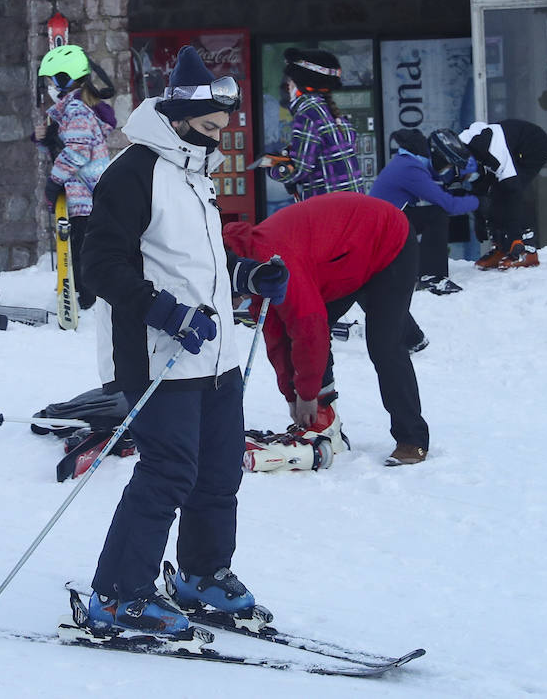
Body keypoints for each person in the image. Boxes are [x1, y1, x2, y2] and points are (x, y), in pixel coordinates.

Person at [81, 45, 288, 636]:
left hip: (214, 352)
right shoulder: (133, 174)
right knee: (169, 472)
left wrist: (247, 276)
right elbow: (99, 269)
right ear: (174, 118)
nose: (214, 142)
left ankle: (201, 574)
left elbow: (197, 258)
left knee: (220, 472)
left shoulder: (193, 175)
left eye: (221, 131)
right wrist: (163, 310)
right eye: (204, 130)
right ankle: (118, 595)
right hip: (159, 353)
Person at [223, 192, 430, 467]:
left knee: (384, 345)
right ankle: (325, 421)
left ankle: (413, 439)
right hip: (346, 258)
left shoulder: (277, 262)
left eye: (226, 295)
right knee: (306, 329)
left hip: (388, 240)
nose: (232, 303)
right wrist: (292, 395)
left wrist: (306, 395)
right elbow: (277, 338)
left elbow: (309, 330)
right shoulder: (259, 274)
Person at [34, 44, 116, 309]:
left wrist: (54, 180)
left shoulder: (77, 110)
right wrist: (46, 139)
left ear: (62, 79)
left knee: (83, 250)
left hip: (88, 195)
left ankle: (87, 299)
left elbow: (78, 151)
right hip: (85, 194)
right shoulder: (74, 109)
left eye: (51, 80)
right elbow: (67, 144)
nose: (49, 86)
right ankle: (84, 293)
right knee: (80, 247)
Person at [370, 128, 481, 295]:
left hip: (386, 224)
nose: (446, 169)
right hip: (383, 230)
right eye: (447, 165)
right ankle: (432, 278)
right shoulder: (411, 169)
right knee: (437, 215)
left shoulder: (408, 161)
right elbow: (448, 205)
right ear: (438, 158)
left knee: (432, 213)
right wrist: (478, 201)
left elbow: (438, 185)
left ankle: (423, 271)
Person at [269, 48, 367, 200]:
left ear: (300, 82)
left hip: (330, 213)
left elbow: (298, 170)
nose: (287, 85)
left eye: (291, 79)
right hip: (354, 207)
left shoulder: (308, 113)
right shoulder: (332, 113)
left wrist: (273, 167)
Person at [461, 119, 547, 270]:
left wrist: (515, 236)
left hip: (534, 147)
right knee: (493, 194)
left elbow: (513, 192)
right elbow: (479, 191)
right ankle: (501, 247)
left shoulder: (493, 152)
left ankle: (526, 250)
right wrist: (479, 220)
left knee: (508, 193)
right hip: (513, 148)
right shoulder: (465, 145)